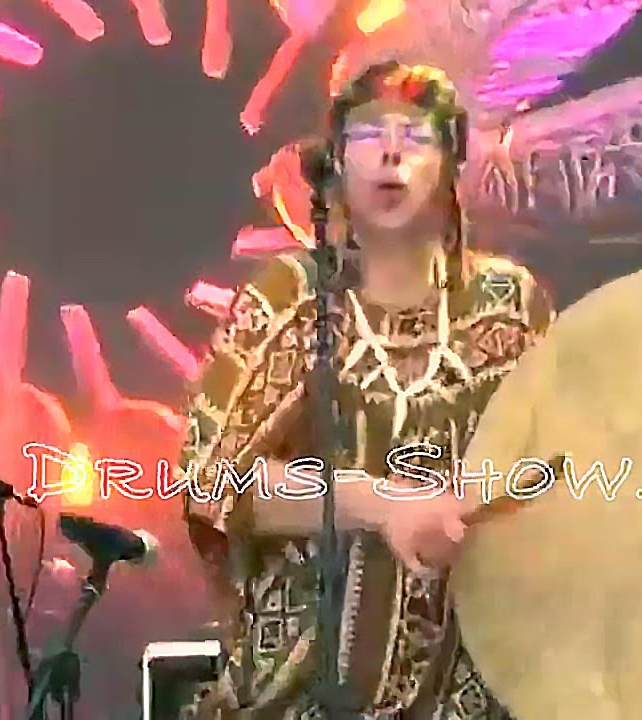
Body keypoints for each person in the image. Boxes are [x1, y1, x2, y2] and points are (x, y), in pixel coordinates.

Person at [179, 61, 554, 719]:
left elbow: (554, 471)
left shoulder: (509, 305)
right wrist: (380, 504)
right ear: (336, 164)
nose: (389, 152)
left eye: (415, 135)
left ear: (453, 164)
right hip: (303, 689)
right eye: (368, 134)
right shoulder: (291, 299)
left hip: (468, 688)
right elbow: (211, 480)